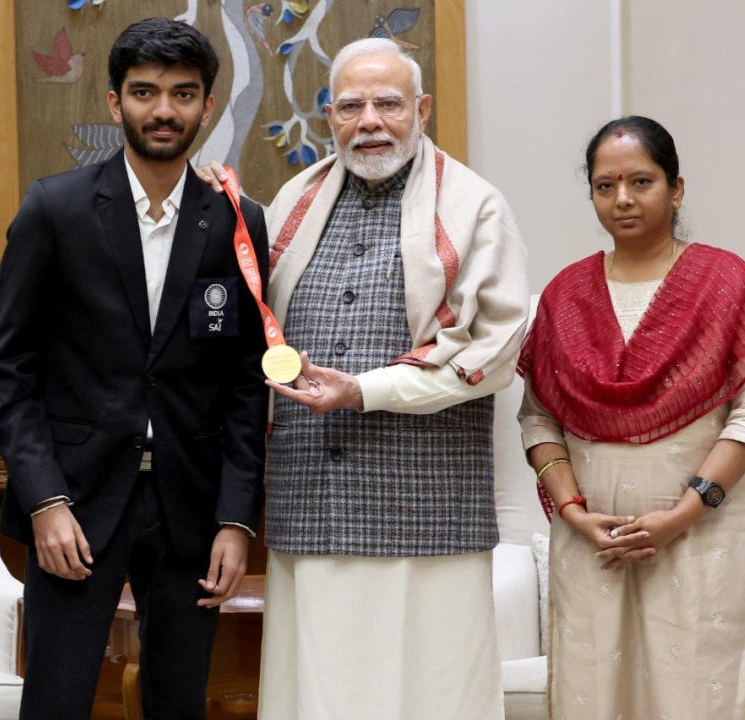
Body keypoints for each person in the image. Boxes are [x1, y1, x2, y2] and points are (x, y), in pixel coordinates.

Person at [203, 37, 528, 719]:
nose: (369, 120)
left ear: (422, 108)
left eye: (388, 103)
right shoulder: (297, 197)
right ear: (329, 116)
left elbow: (493, 352)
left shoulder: (475, 206)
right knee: (318, 692)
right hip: (311, 502)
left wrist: (363, 391)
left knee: (432, 692)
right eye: (350, 106)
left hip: (428, 508)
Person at [0, 17, 270, 720]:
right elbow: (11, 374)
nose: (164, 110)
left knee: (179, 703)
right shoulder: (55, 209)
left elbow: (243, 383)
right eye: (144, 92)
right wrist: (43, 501)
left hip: (191, 512)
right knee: (56, 701)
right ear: (115, 102)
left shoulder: (236, 220)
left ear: (207, 106)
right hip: (75, 510)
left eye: (183, 93)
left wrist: (237, 519)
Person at [516, 115, 745, 719]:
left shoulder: (729, 283)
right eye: (605, 185)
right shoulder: (564, 295)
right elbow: (538, 419)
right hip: (591, 542)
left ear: (677, 189)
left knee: (701, 695)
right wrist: (574, 515)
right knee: (595, 696)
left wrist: (681, 516)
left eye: (640, 181)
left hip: (704, 536)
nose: (622, 199)